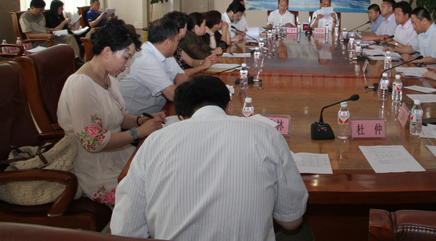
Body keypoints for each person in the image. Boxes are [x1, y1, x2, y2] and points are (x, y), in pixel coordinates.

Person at [112, 76, 309, 240]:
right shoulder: (266, 134)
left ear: (181, 117)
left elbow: (126, 230)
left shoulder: (154, 143)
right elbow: (291, 221)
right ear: (229, 106)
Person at [56, 20, 164, 206]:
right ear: (106, 52)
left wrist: (141, 121)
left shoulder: (110, 79)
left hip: (115, 153)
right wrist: (139, 132)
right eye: (126, 58)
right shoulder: (81, 85)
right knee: (150, 194)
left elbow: (118, 118)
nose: (127, 65)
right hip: (93, 165)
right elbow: (93, 142)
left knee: (161, 176)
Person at [118, 17, 189, 116]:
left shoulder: (166, 54)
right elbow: (173, 95)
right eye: (177, 41)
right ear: (167, 42)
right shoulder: (145, 58)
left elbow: (182, 76)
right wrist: (179, 83)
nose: (178, 44)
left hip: (159, 111)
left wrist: (179, 83)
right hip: (137, 119)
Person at [164, 11, 216, 76]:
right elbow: (178, 74)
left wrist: (204, 61)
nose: (187, 29)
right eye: (185, 26)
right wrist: (203, 66)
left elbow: (191, 62)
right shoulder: (169, 47)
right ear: (180, 29)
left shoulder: (177, 45)